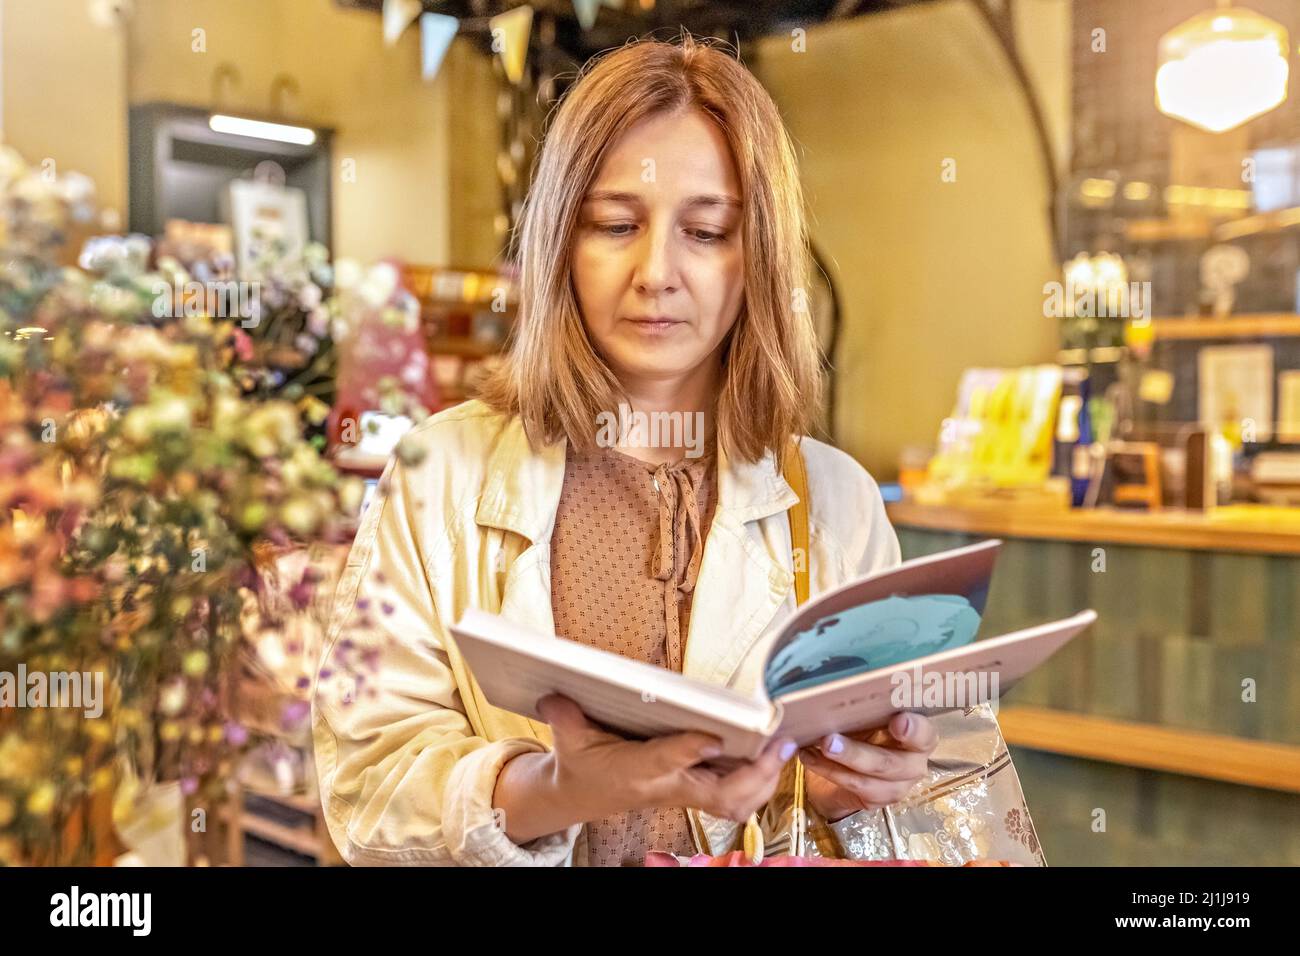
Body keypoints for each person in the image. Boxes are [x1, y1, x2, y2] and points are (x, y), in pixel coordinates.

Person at [312, 35, 942, 867]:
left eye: (707, 231)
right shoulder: (440, 474)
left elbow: (901, 812)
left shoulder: (838, 502)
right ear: (558, 245)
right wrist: (556, 790)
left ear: (757, 258)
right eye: (615, 224)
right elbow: (367, 789)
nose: (656, 272)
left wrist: (841, 786)